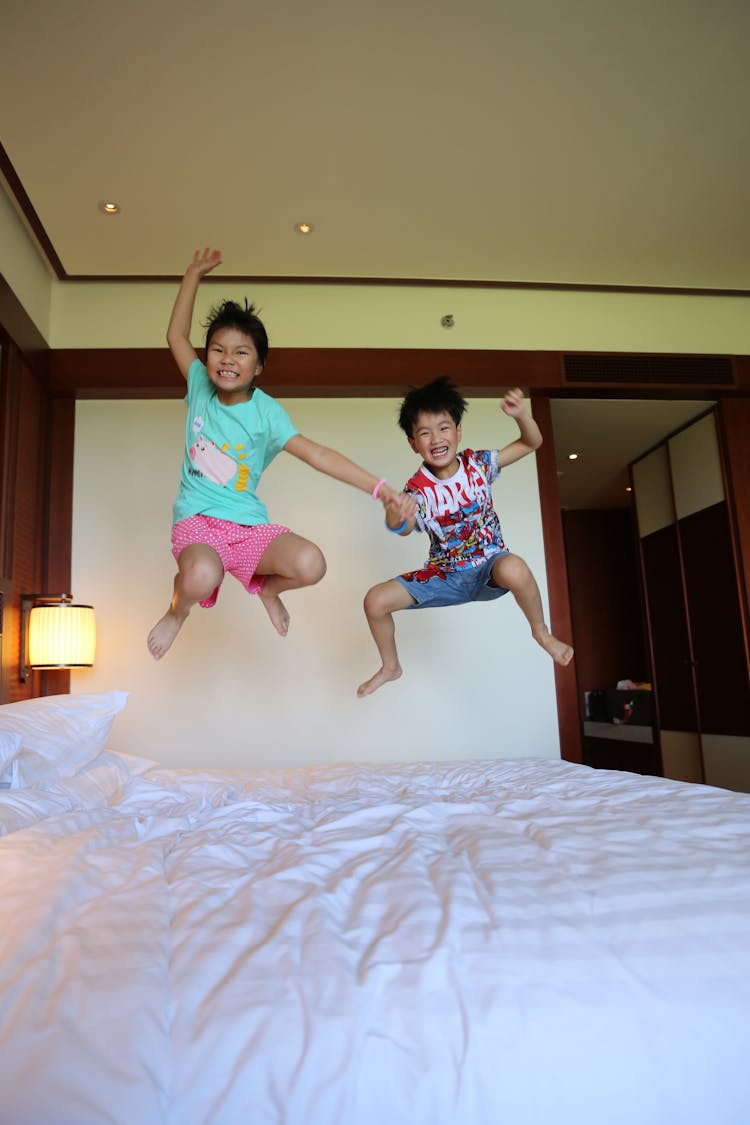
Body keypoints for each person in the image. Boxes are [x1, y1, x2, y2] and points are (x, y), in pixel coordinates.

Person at [147, 247, 407, 660]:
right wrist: (192, 274)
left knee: (311, 564)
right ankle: (178, 612)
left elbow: (317, 455)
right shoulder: (199, 384)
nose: (227, 359)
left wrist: (380, 489)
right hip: (198, 524)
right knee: (199, 574)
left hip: (247, 527)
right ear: (207, 356)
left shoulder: (267, 412)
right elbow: (175, 336)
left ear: (258, 366)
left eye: (241, 352)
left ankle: (269, 590)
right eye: (218, 349)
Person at [357, 376, 574, 696]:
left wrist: (521, 416)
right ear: (413, 443)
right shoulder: (416, 489)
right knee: (374, 601)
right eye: (424, 432)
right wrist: (393, 512)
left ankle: (541, 633)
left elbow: (531, 443)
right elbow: (403, 528)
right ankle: (391, 666)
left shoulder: (480, 465)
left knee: (515, 567)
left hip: (490, 568)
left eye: (444, 428)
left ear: (458, 432)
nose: (436, 438)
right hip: (444, 575)